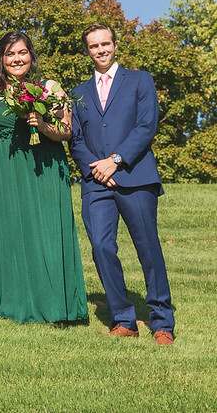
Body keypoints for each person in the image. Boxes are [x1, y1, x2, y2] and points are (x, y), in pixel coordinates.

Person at [0, 31, 86, 323]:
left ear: (31, 55)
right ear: (1, 59)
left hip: (42, 170)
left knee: (45, 232)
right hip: (1, 172)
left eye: (22, 52)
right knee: (2, 233)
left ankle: (52, 304)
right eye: (10, 54)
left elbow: (66, 131)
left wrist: (42, 125)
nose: (16, 59)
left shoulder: (50, 88)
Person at [70, 23, 175, 344]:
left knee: (148, 249)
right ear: (87, 51)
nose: (100, 50)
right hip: (96, 183)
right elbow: (76, 139)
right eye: (94, 46)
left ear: (115, 45)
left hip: (135, 178)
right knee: (101, 247)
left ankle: (162, 321)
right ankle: (123, 318)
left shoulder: (140, 80)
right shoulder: (78, 93)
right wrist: (97, 169)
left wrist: (115, 160)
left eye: (105, 44)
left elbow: (146, 125)